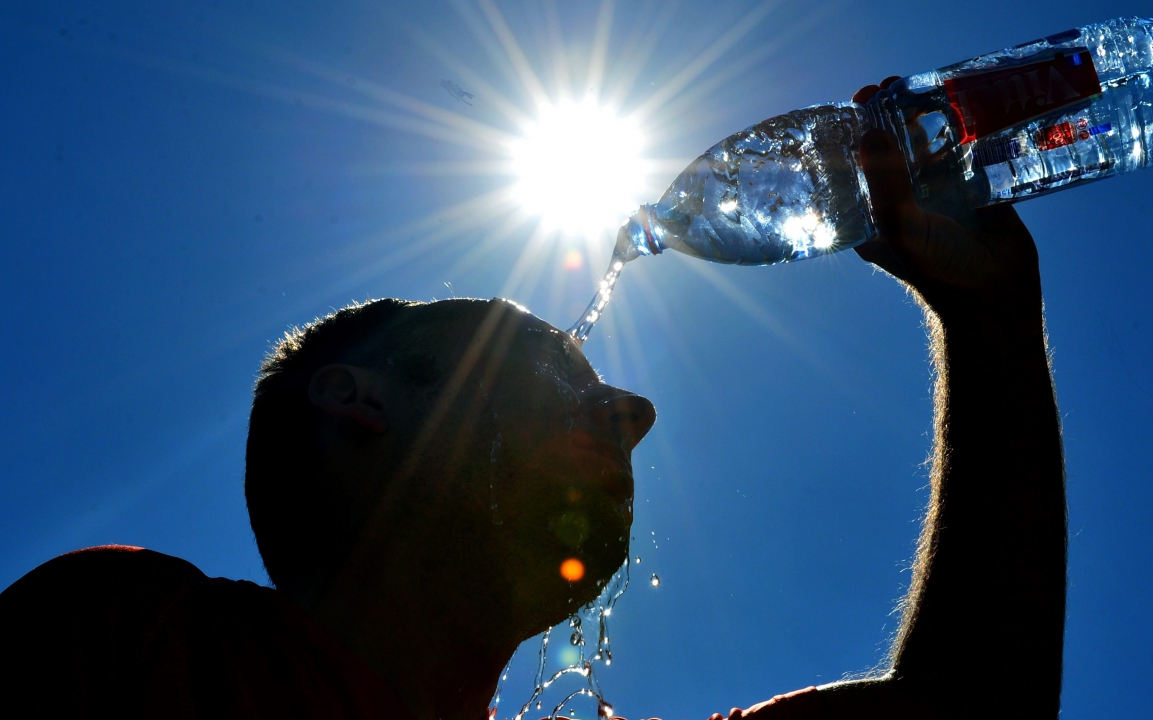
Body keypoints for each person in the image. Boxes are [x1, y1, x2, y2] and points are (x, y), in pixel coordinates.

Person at [0, 78, 1066, 719]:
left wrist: (989, 324)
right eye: (554, 364)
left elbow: (970, 711)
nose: (635, 416)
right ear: (358, 402)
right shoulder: (134, 643)